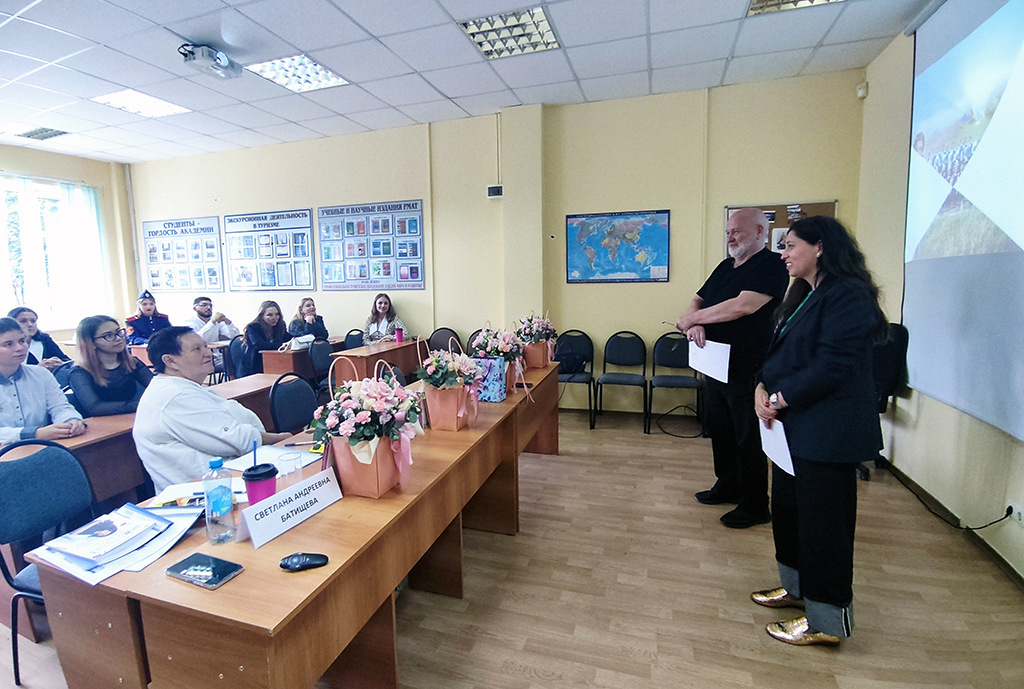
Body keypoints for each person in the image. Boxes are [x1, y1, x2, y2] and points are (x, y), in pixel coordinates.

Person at [752, 216, 887, 647]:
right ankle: (796, 590)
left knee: (825, 529)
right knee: (789, 514)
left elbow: (833, 365)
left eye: (791, 245)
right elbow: (779, 354)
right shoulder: (803, 294)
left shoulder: (849, 295)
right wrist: (761, 387)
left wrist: (780, 398)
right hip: (792, 430)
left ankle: (826, 622)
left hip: (828, 432)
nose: (784, 254)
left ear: (821, 247)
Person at [675, 207, 789, 528]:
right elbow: (698, 299)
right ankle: (727, 485)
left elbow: (743, 306)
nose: (730, 238)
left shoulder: (772, 265)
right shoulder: (725, 266)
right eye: (727, 232)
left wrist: (692, 320)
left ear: (760, 231)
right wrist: (695, 323)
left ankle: (754, 505)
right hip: (714, 363)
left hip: (747, 367)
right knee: (721, 430)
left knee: (747, 436)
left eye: (736, 231)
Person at [132, 326, 291, 491]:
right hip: (208, 494)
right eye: (197, 349)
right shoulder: (175, 396)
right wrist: (282, 438)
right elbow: (236, 438)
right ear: (170, 361)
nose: (208, 353)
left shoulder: (183, 387)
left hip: (230, 479)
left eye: (206, 346)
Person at [0, 317, 85, 446]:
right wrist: (34, 433)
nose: (20, 348)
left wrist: (71, 420)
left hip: (41, 447)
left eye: (22, 341)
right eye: (8, 344)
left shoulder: (41, 374)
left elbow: (60, 407)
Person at [69, 316, 153, 416]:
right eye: (108, 335)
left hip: (129, 418)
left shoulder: (132, 362)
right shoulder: (79, 372)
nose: (118, 338)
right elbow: (95, 408)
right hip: (97, 423)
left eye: (119, 332)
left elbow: (157, 387)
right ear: (91, 343)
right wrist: (144, 404)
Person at [8, 306, 70, 371]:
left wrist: (59, 362)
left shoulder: (44, 339)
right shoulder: (6, 344)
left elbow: (65, 359)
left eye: (33, 321)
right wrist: (38, 369)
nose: (30, 324)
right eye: (23, 321)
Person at [238, 300, 291, 377]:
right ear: (262, 316)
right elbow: (260, 345)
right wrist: (283, 345)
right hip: (254, 367)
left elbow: (289, 338)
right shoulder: (254, 327)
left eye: (277, 314)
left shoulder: (280, 326)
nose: (274, 318)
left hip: (273, 363)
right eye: (269, 315)